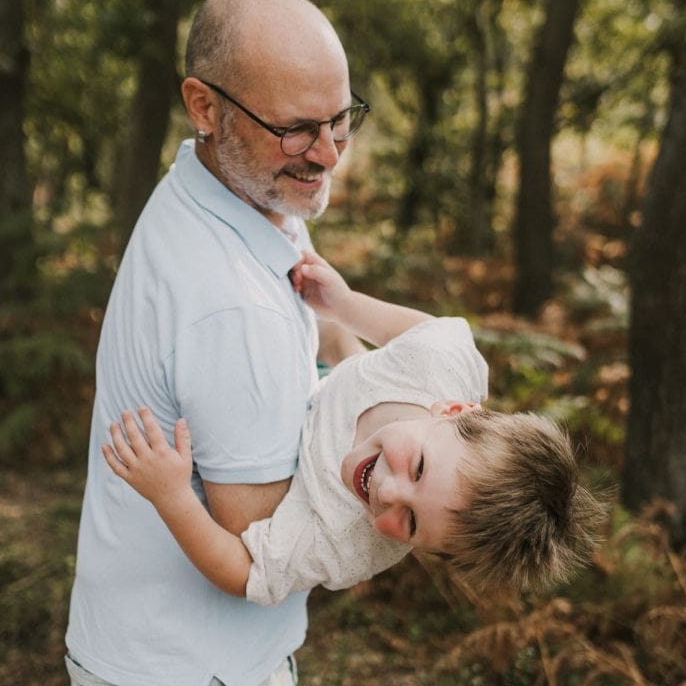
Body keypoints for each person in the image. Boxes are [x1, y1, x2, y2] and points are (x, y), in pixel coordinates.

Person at [65, 0, 370, 686]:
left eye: (340, 119)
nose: (326, 153)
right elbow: (261, 536)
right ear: (204, 106)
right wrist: (407, 467)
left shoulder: (225, 198)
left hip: (155, 655)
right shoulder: (226, 302)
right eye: (295, 128)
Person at [103, 251, 602, 604]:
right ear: (453, 409)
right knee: (326, 334)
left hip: (296, 445)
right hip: (338, 381)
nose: (387, 493)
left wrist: (172, 496)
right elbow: (425, 330)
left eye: (410, 523)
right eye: (419, 468)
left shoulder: (347, 545)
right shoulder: (440, 364)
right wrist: (343, 304)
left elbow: (243, 573)